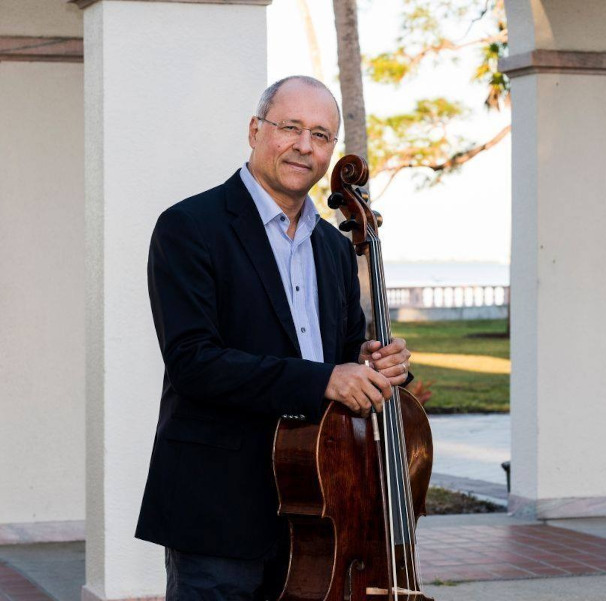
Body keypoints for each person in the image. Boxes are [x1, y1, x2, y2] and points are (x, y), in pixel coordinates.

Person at [136, 75, 412, 600]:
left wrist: (373, 365)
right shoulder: (188, 227)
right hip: (220, 504)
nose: (305, 145)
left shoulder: (333, 247)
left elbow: (345, 352)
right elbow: (195, 362)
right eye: (291, 127)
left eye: (322, 135)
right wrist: (326, 379)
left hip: (321, 503)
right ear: (255, 130)